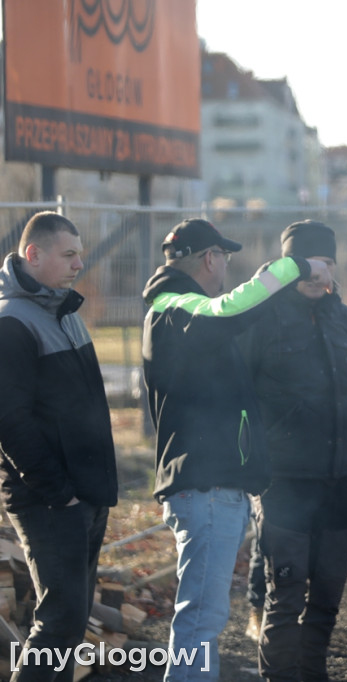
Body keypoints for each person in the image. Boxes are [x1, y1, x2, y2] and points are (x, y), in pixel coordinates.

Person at [141, 218, 330, 682]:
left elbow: (238, 311)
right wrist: (298, 265)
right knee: (201, 621)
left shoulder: (185, 312)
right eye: (222, 257)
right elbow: (230, 309)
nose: (225, 266)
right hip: (205, 488)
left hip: (214, 487)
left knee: (204, 618)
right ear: (210, 258)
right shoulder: (178, 307)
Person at [238, 221, 347, 682]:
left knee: (328, 595)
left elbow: (345, 388)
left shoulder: (343, 317)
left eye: (324, 263)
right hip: (283, 481)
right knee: (285, 598)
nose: (315, 273)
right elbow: (239, 395)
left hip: (337, 479)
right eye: (304, 264)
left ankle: (314, 674)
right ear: (288, 267)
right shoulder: (262, 317)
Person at [0, 211, 118, 682]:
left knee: (69, 625)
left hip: (84, 495)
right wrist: (60, 493)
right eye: (69, 254)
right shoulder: (11, 322)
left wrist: (89, 492)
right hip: (51, 501)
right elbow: (10, 423)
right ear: (34, 255)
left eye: (79, 253)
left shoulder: (64, 312)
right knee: (59, 624)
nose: (78, 263)